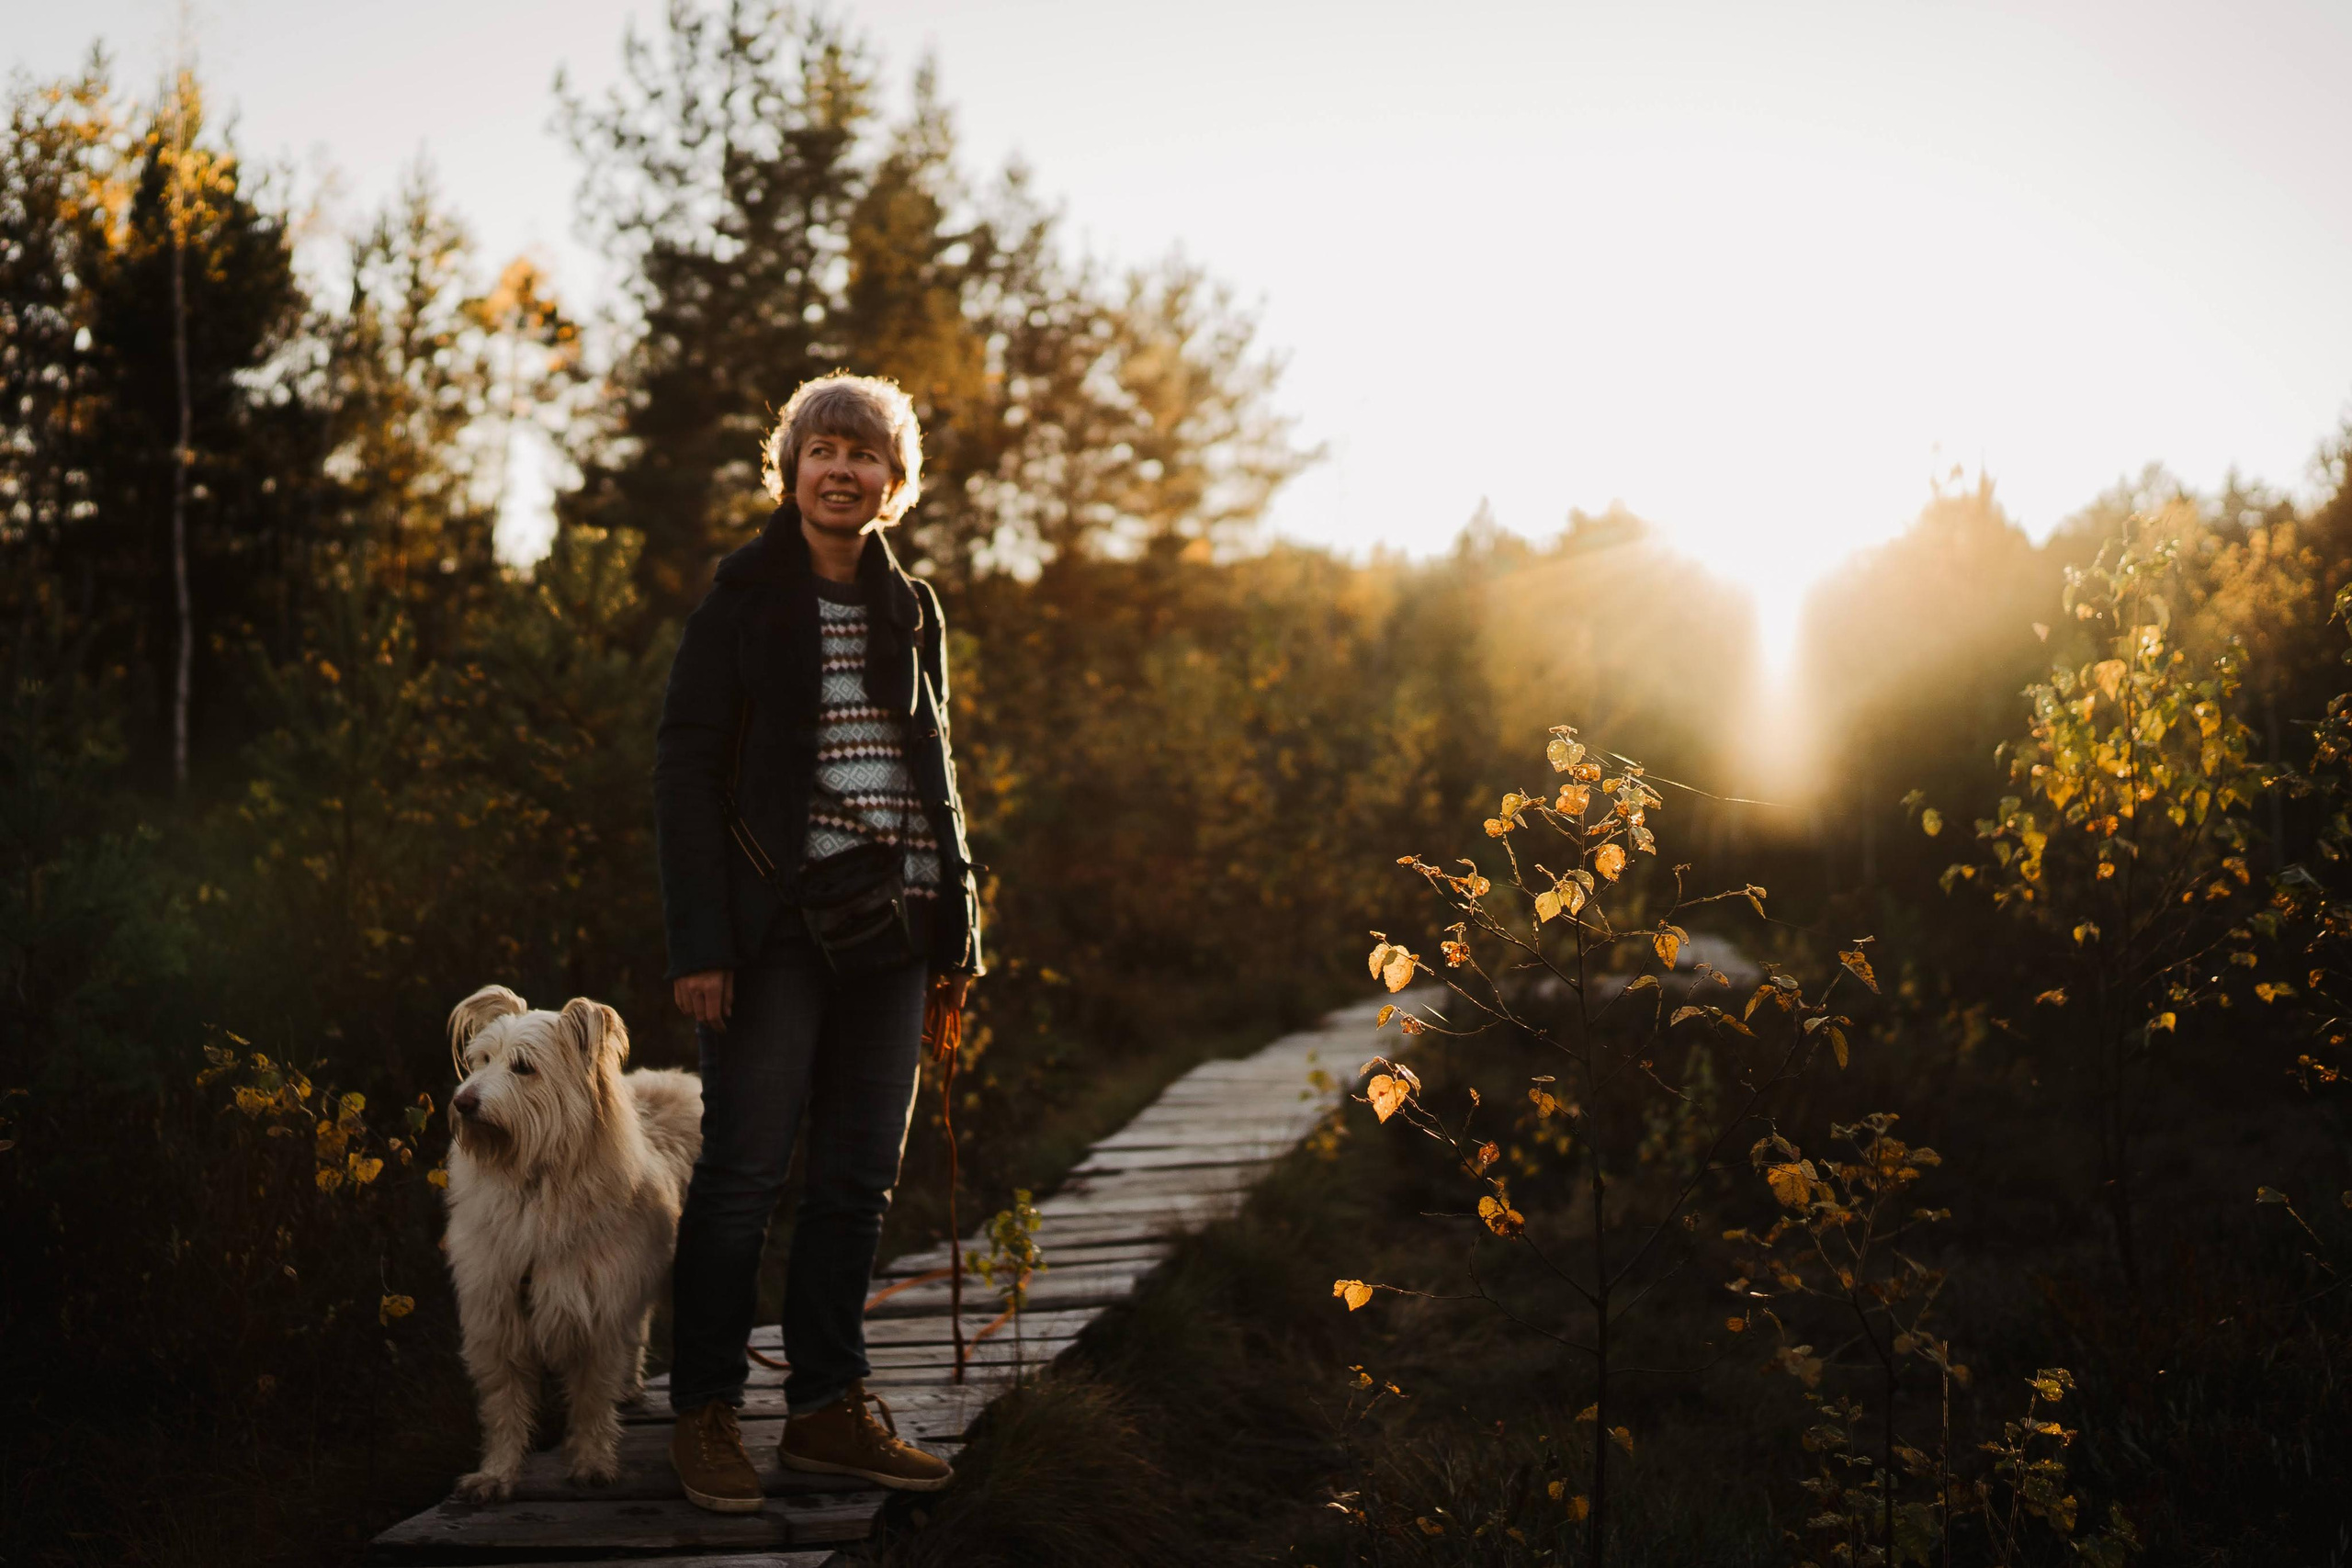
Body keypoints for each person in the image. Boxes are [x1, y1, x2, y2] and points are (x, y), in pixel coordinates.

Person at [652, 372, 983, 1512]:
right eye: (823, 450)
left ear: (895, 480)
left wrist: (958, 932)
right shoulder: (739, 600)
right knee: (744, 1175)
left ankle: (826, 1412)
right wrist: (702, 944)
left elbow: (934, 770)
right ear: (790, 468)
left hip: (897, 930)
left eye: (865, 453)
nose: (843, 470)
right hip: (775, 932)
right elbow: (684, 775)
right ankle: (704, 1411)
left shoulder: (913, 607)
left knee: (856, 1183)